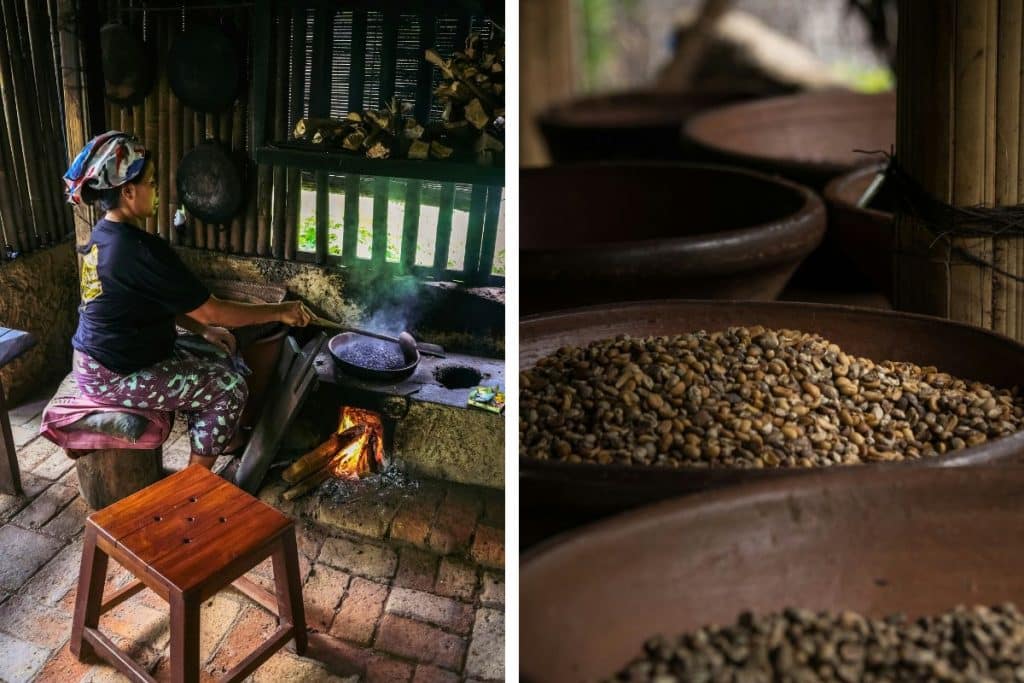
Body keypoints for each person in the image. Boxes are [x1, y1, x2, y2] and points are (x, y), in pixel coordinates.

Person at [63, 130, 314, 469]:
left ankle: (225, 438)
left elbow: (152, 301)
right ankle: (194, 484)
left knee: (221, 355)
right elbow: (214, 310)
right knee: (229, 388)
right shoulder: (136, 251)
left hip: (101, 359)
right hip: (112, 374)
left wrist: (204, 332)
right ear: (128, 191)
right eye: (151, 182)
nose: (157, 190)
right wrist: (281, 311)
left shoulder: (106, 236)